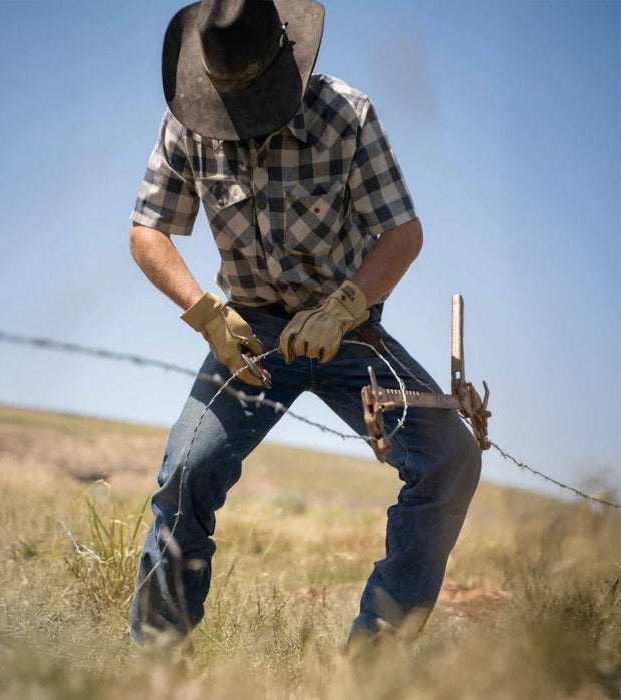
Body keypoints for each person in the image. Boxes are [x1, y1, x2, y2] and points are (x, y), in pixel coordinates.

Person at [128, 0, 481, 648]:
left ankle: (373, 661)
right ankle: (156, 660)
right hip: (248, 333)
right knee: (186, 471)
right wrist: (206, 313)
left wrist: (346, 306)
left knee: (449, 459)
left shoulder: (346, 113)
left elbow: (403, 232)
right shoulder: (188, 120)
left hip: (348, 330)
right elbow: (147, 230)